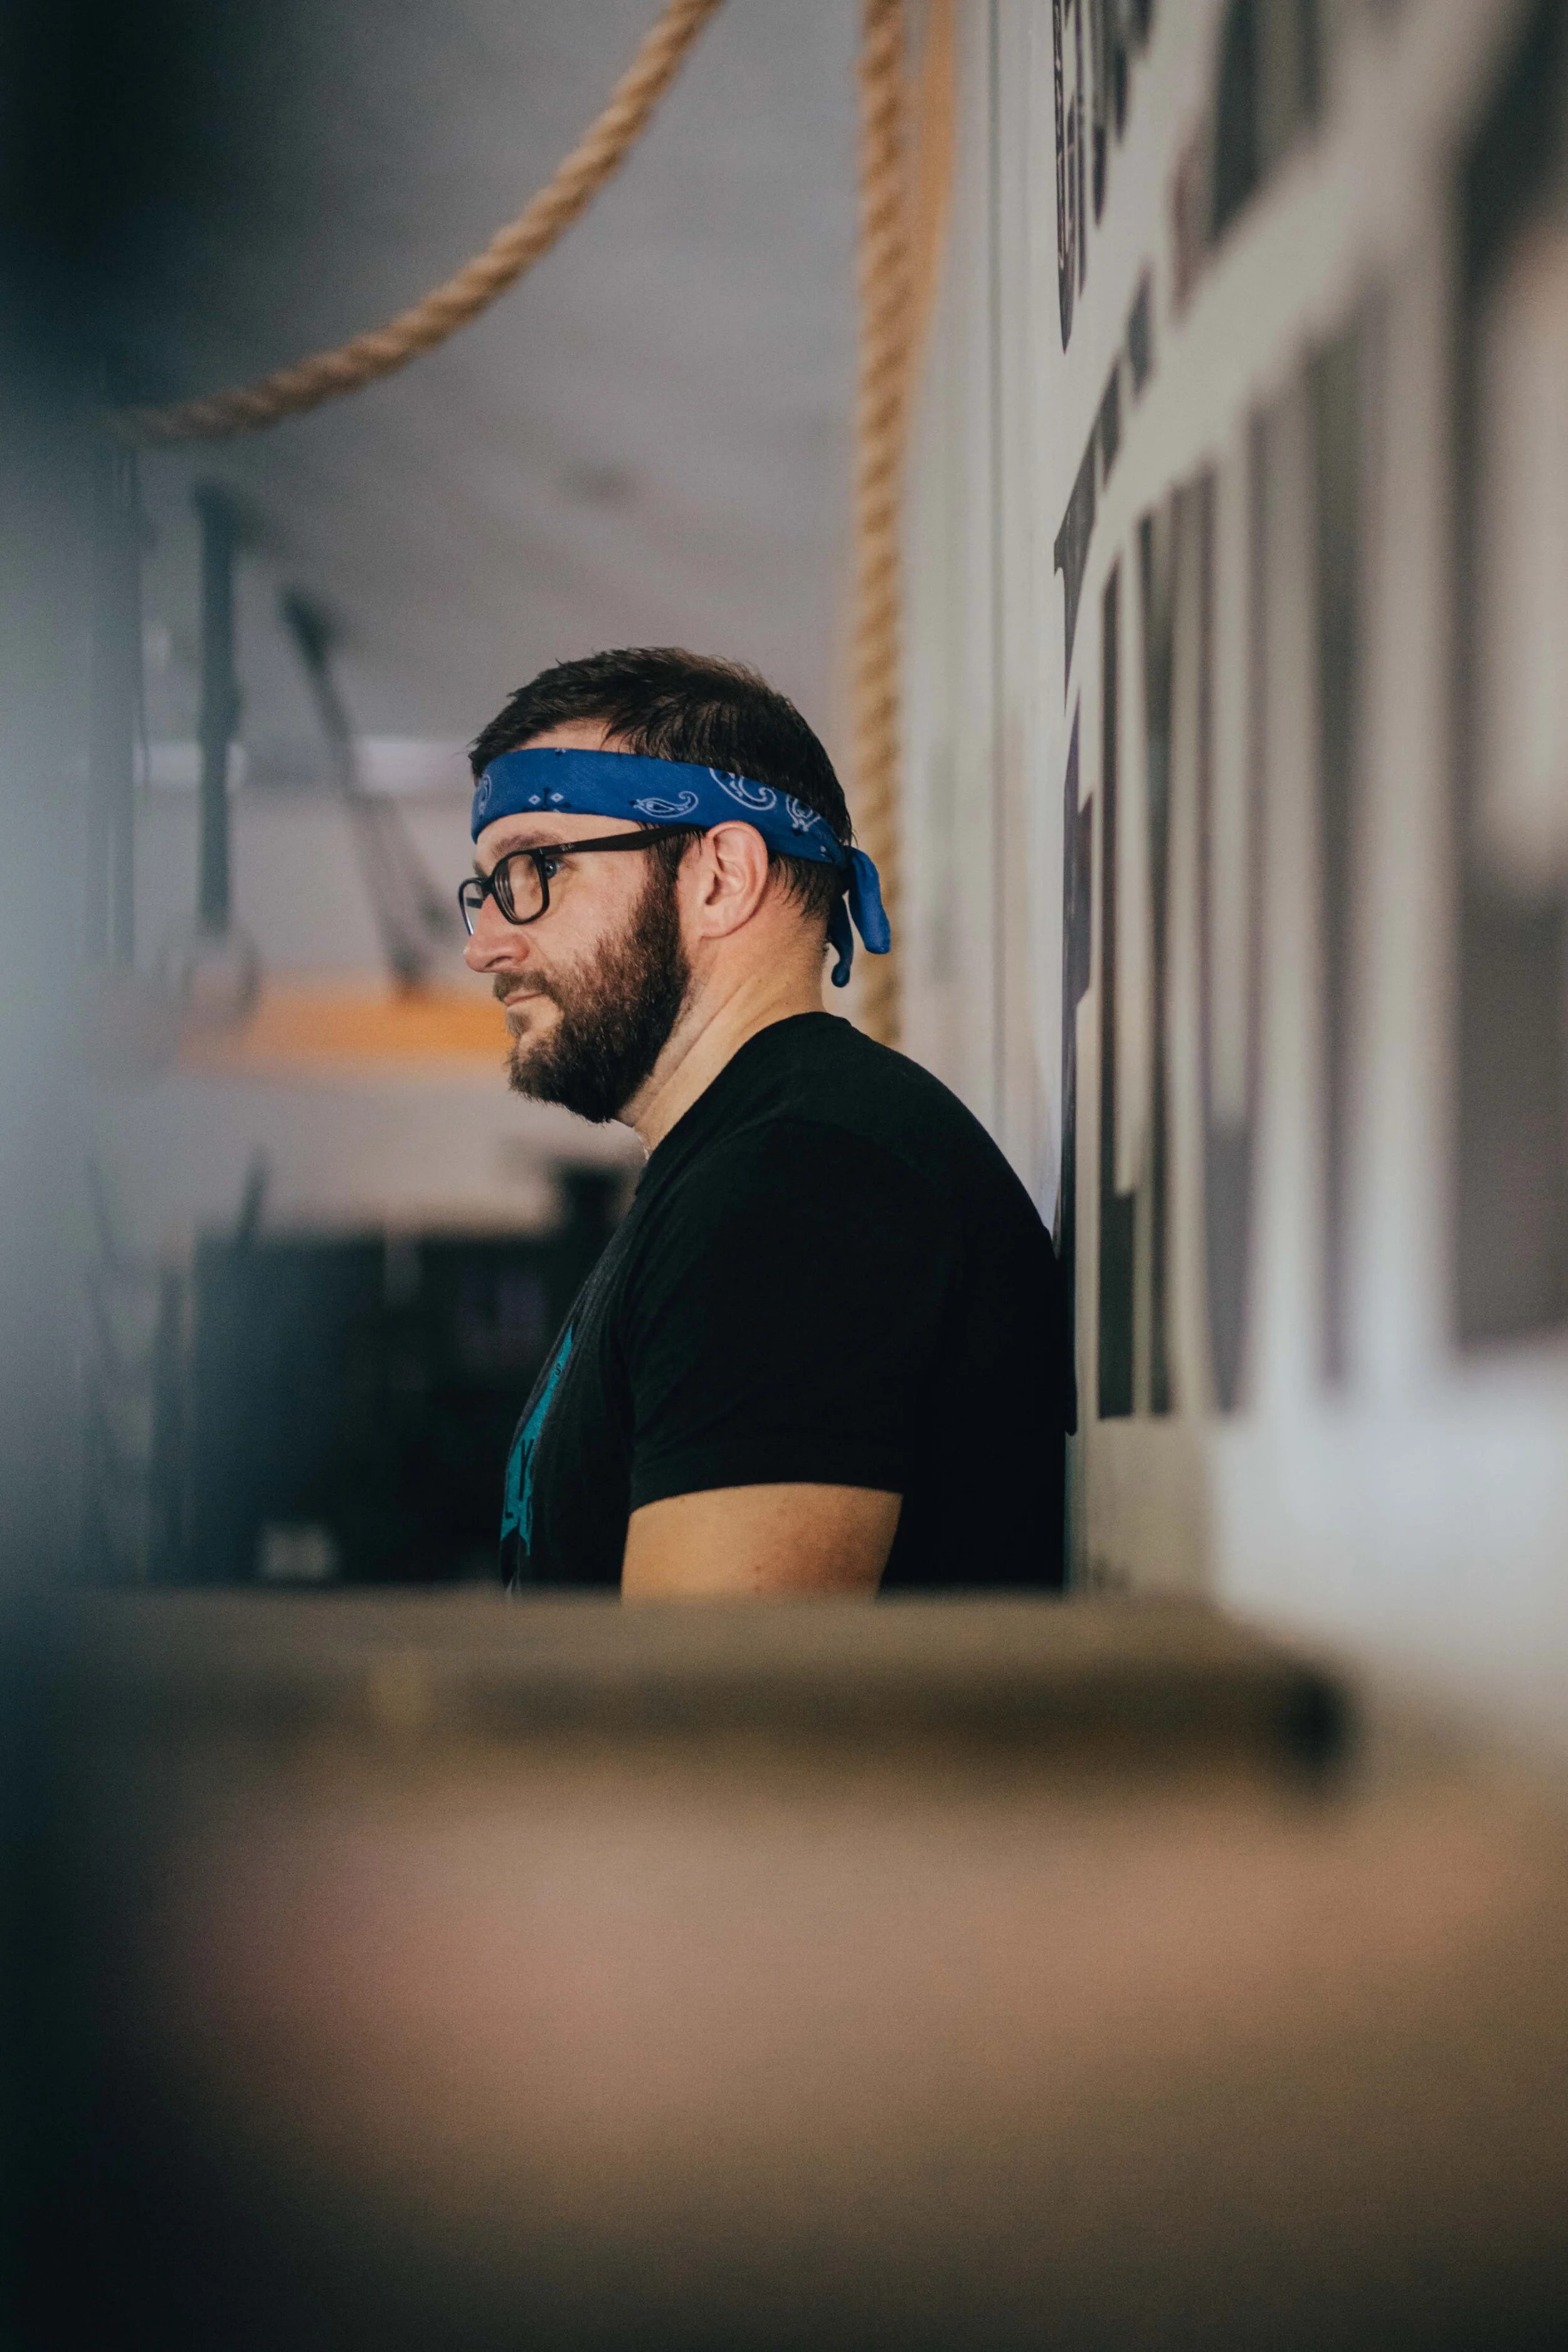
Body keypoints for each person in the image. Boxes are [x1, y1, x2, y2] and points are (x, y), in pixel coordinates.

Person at [461, 647, 1069, 1597]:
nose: (484, 942)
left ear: (721, 874)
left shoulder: (799, 1186)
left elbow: (713, 1728)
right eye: (486, 886)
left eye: (535, 868)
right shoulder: (743, 1170)